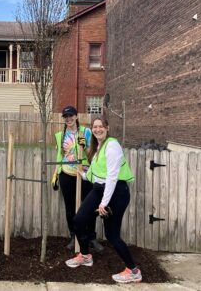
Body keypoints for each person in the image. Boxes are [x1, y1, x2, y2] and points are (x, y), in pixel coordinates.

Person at [65, 117, 142, 284]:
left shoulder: (112, 145)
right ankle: (85, 256)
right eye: (95, 126)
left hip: (116, 193)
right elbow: (97, 173)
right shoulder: (98, 146)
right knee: (78, 220)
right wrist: (83, 174)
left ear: (107, 128)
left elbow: (112, 178)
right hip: (100, 189)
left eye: (101, 126)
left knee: (112, 235)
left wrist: (103, 203)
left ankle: (134, 270)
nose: (97, 129)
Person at [51, 106, 103, 252]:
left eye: (71, 116)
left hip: (84, 174)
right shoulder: (60, 135)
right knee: (70, 208)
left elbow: (92, 153)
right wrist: (55, 174)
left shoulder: (86, 132)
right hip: (66, 174)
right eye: (66, 116)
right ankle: (73, 236)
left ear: (76, 116)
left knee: (90, 206)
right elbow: (60, 156)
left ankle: (91, 237)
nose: (68, 119)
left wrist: (84, 145)